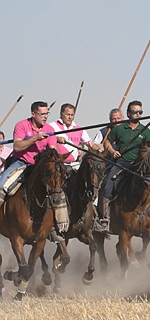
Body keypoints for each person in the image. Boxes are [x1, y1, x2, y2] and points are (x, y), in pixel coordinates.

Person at [99, 100, 150, 234]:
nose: (138, 114)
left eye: (140, 112)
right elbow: (107, 141)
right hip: (122, 163)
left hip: (140, 166)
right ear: (129, 114)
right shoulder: (119, 129)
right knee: (107, 186)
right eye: (135, 112)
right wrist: (112, 151)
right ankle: (105, 219)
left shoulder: (145, 131)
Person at [0, 101, 61, 241]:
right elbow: (17, 146)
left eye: (47, 113)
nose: (45, 117)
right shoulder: (21, 125)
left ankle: (56, 227)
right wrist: (35, 138)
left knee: (59, 190)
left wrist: (55, 147)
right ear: (33, 114)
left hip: (40, 166)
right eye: (42, 114)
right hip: (21, 163)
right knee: (2, 186)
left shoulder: (49, 129)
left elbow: (52, 150)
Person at [50, 103, 99, 170]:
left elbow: (90, 144)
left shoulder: (79, 129)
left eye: (72, 115)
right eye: (67, 115)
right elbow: (44, 139)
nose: (70, 117)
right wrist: (56, 138)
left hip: (74, 165)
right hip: (57, 165)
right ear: (61, 114)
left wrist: (97, 147)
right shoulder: (52, 126)